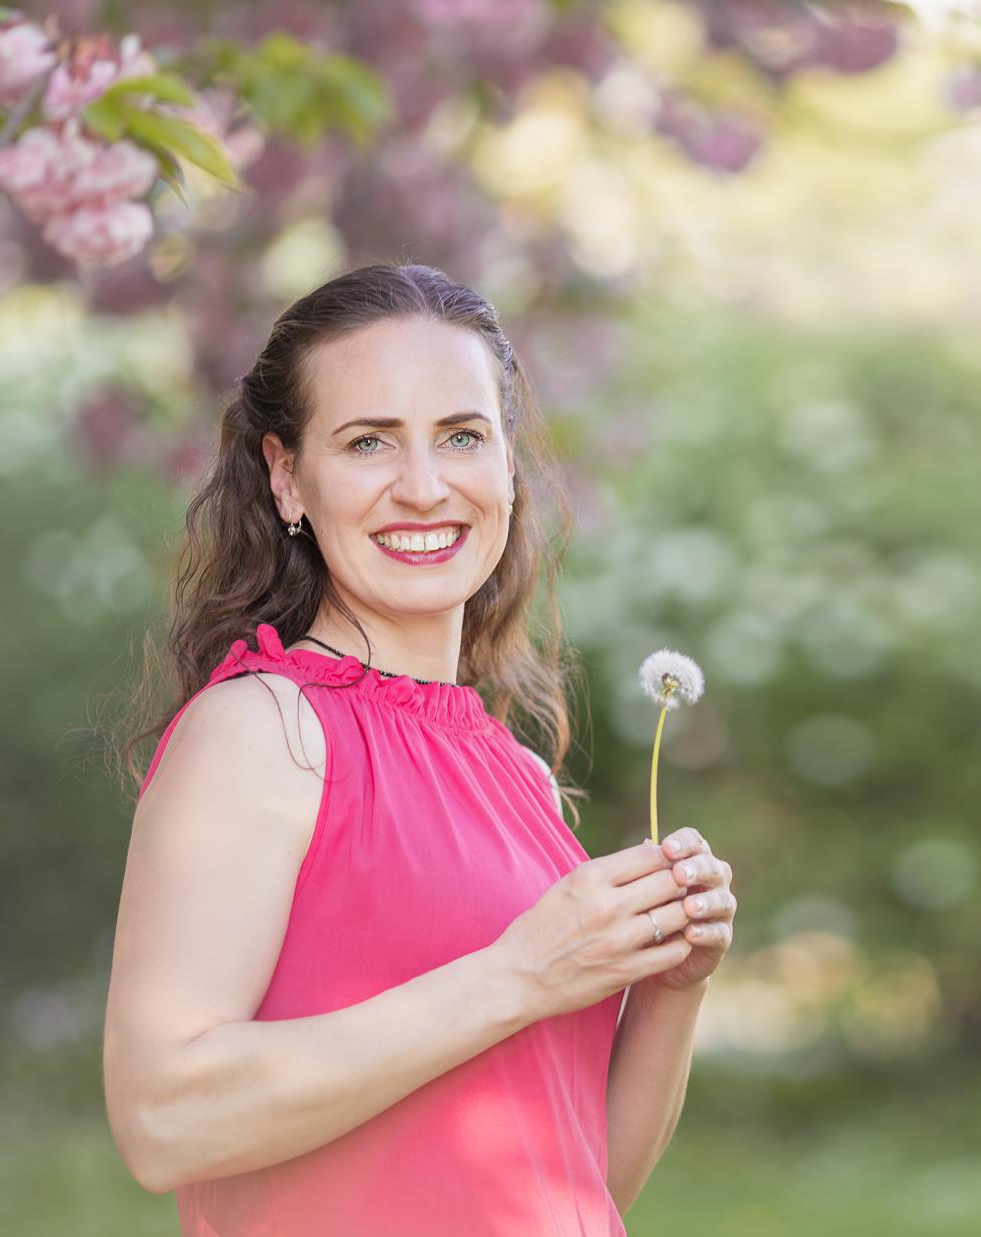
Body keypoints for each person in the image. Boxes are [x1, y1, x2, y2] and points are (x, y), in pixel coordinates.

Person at [100, 263, 739, 1234]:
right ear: (286, 476)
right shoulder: (263, 732)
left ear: (507, 464)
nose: (425, 487)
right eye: (369, 442)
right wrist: (520, 974)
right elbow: (164, 1120)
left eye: (461, 436)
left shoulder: (517, 774)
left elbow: (577, 1179)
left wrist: (668, 988)